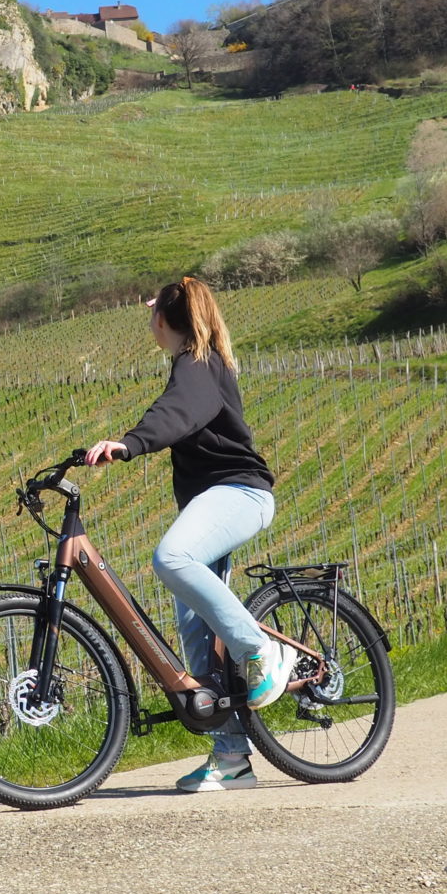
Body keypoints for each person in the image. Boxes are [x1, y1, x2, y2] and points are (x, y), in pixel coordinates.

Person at [82, 276, 293, 793]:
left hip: (240, 494)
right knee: (197, 635)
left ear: (162, 322)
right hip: (216, 500)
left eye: (153, 314)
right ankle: (232, 758)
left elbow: (177, 413)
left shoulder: (197, 366)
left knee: (172, 557)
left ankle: (261, 650)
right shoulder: (197, 361)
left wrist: (130, 444)